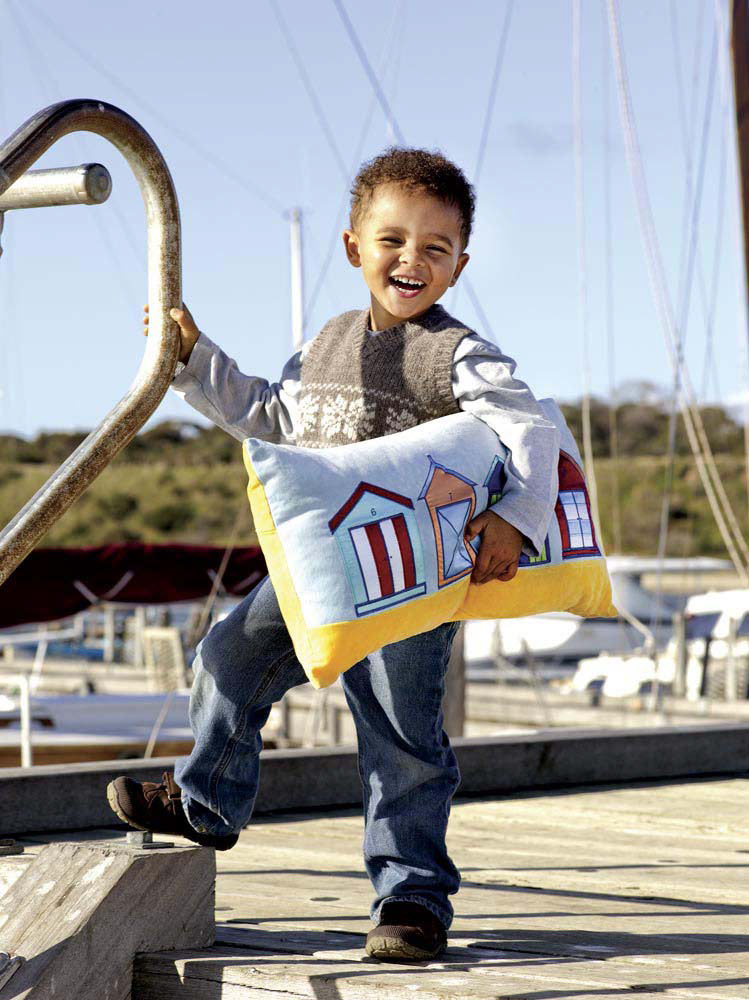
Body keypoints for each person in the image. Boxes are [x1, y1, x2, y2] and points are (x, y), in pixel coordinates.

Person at [107, 147, 560, 961]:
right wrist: (193, 359)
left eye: (435, 247)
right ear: (354, 247)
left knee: (400, 739)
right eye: (392, 241)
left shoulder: (457, 353)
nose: (411, 259)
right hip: (317, 571)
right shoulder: (324, 343)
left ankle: (412, 897)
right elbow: (272, 419)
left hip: (408, 578)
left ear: (459, 265)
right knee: (227, 658)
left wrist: (516, 518)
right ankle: (208, 802)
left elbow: (531, 427)